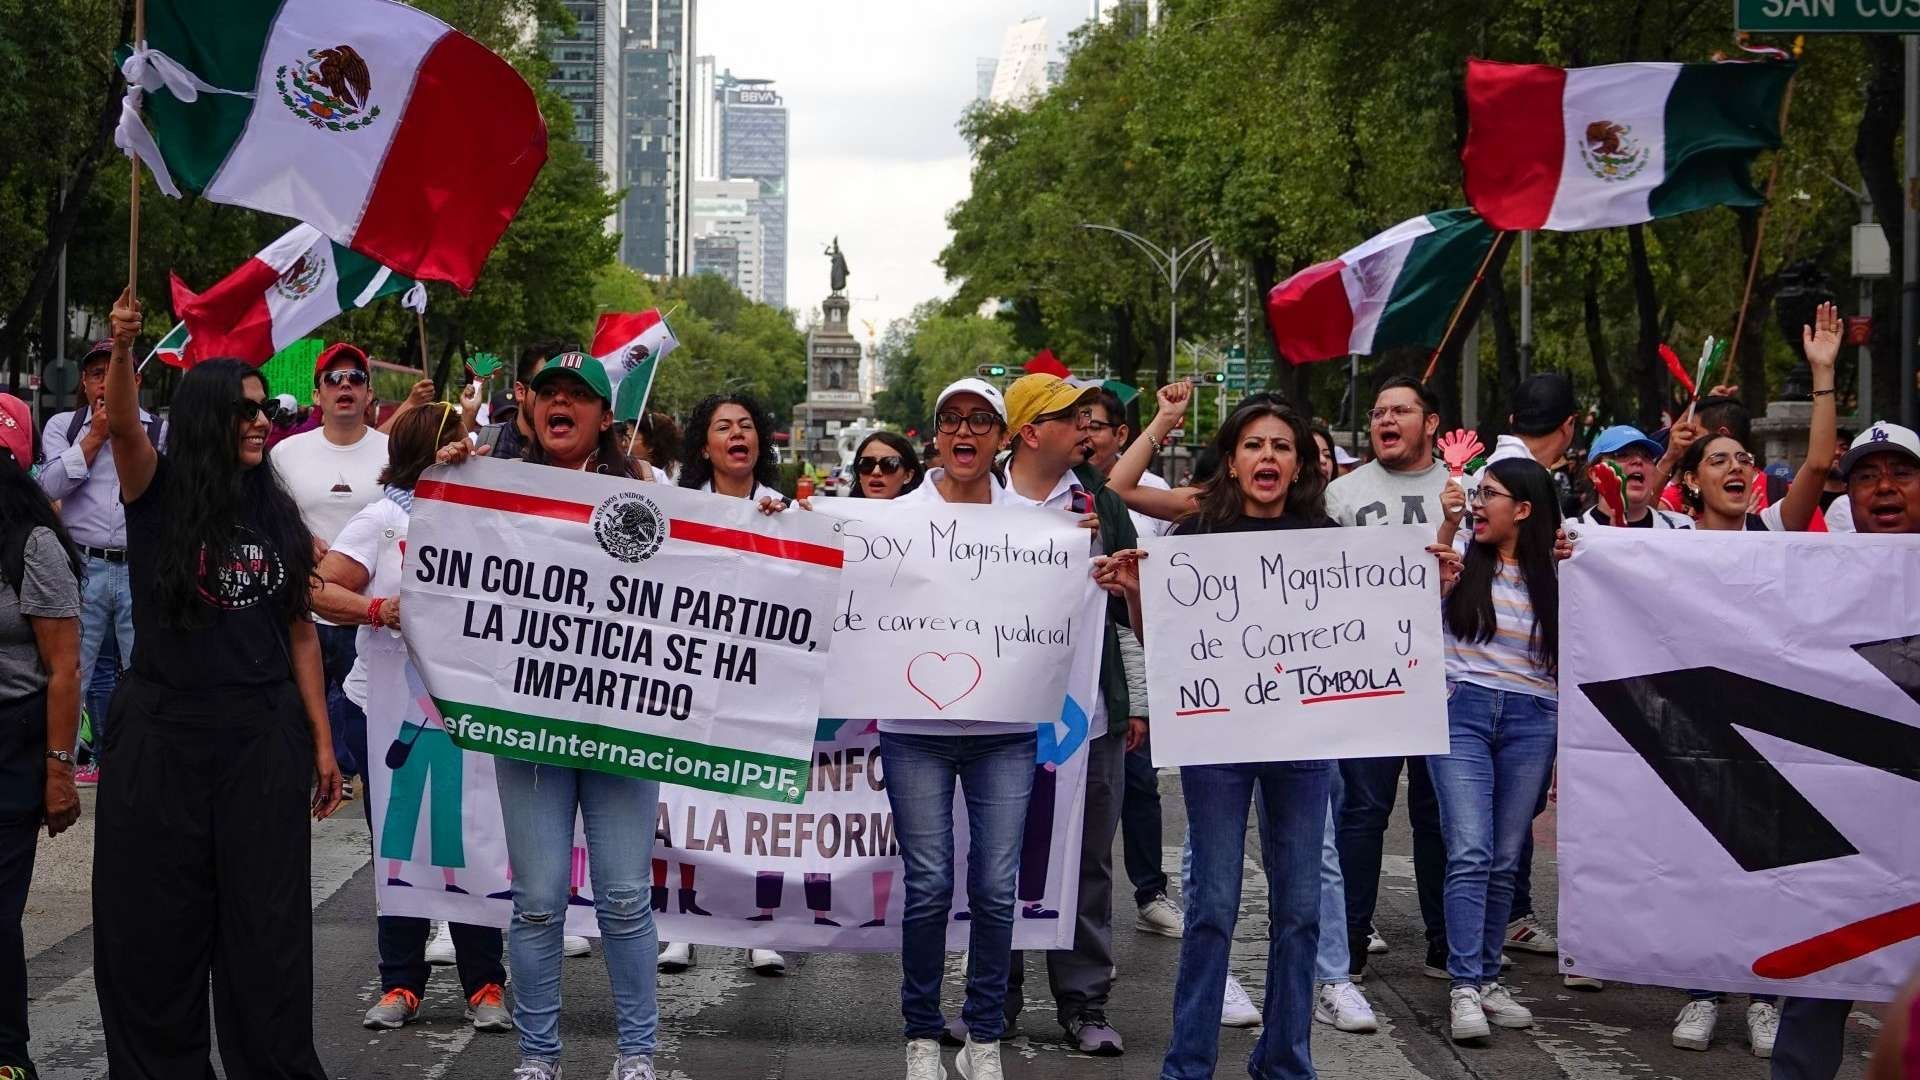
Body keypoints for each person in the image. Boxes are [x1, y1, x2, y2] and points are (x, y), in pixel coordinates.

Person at [1103, 398, 1460, 1080]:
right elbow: (1172, 653)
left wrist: (1427, 590)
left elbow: (1373, 638)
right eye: (1253, 446)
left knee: (1300, 913)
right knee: (1211, 909)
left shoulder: (1329, 543)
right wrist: (1136, 595)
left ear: (1298, 464)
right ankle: (1188, 1064)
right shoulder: (1191, 541)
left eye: (1281, 447)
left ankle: (1287, 1061)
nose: (1267, 457)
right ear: (1232, 462)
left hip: (1301, 748)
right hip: (1218, 751)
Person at [92, 290, 342, 1080]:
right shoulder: (154, 491)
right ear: (205, 418)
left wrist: (321, 742)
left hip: (260, 738)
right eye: (243, 411)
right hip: (162, 736)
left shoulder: (273, 505)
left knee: (264, 933)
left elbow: (299, 626)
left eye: (264, 410)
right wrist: (124, 348)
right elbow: (126, 423)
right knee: (155, 932)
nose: (261, 422)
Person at [437, 351, 662, 1080]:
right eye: (550, 393)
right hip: (530, 729)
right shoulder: (487, 483)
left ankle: (636, 1054)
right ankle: (539, 1058)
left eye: (579, 395)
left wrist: (764, 514)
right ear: (532, 411)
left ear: (604, 419)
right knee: (536, 903)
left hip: (621, 727)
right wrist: (440, 478)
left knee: (626, 897)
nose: (561, 403)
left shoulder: (650, 496)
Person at [309, 402, 511, 1035]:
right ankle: (400, 982)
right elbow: (318, 590)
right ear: (431, 446)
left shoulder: (487, 512)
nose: (471, 447)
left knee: (473, 837)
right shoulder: (382, 518)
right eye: (458, 439)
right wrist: (378, 611)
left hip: (472, 710)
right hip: (389, 708)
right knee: (401, 844)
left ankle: (485, 986)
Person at [880, 377, 1030, 1080]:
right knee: (931, 882)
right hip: (915, 729)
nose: (964, 432)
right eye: (950, 421)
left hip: (1004, 728)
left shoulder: (1036, 527)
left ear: (1002, 438)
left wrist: (1092, 569)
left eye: (980, 421)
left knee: (997, 888)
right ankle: (920, 1033)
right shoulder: (891, 517)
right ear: (933, 435)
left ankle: (983, 1035)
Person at [1766, 417, 1920, 1080]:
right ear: (1848, 496)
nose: (1883, 488)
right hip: (1845, 825)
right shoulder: (1810, 575)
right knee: (1816, 993)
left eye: (1901, 473)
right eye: (1865, 476)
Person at [997, 372, 1138, 1058]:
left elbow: (1137, 610)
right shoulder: (974, 501)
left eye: (1090, 417)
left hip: (1089, 713)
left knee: (1086, 862)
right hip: (994, 712)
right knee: (1001, 857)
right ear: (1030, 431)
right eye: (1069, 416)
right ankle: (995, 999)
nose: (1087, 428)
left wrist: (1118, 580)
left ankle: (1085, 1004)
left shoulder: (1102, 502)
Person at [1324, 375, 1458, 984]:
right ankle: (1347, 942)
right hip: (1369, 674)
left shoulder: (1467, 489)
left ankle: (1444, 942)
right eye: (1379, 412)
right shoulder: (1343, 493)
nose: (1386, 420)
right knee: (1363, 811)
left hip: (1450, 674)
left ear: (1431, 423)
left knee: (1439, 813)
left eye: (1401, 410)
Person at [1430, 458, 1562, 1043]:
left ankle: (1485, 978)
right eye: (1477, 493)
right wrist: (1443, 533)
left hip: (1534, 719)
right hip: (1462, 713)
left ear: (1525, 510)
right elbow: (1412, 604)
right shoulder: (1456, 558)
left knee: (1506, 856)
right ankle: (1462, 985)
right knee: (1470, 850)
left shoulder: (1560, 573)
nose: (1479, 503)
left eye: (1493, 495)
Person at [661, 392, 789, 977]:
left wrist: (785, 532)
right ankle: (680, 927)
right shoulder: (681, 507)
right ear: (704, 445)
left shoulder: (787, 510)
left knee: (753, 808)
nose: (737, 435)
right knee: (685, 805)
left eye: (746, 426)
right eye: (723, 427)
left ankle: (757, 925)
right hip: (691, 680)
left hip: (762, 688)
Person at [37, 340, 164, 786]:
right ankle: (60, 771)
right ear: (86, 384)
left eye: (115, 372)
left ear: (135, 381)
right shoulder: (64, 427)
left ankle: (141, 771)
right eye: (96, 374)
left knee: (143, 670)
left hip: (139, 567)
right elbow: (47, 485)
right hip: (82, 567)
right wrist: (94, 438)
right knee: (72, 671)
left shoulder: (158, 430)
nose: (104, 383)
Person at [0, 392, 82, 1080]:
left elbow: (62, 669)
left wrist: (59, 770)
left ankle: (6, 1056)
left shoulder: (33, 544)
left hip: (11, 745)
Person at [271, 342, 389, 797]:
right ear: (316, 395)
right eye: (333, 379)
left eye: (355, 379)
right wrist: (298, 540)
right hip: (304, 614)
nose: (345, 386)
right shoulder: (286, 454)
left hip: (370, 615)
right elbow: (267, 520)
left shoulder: (392, 451)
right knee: (300, 723)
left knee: (365, 728)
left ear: (368, 393)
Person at [1084, 392, 1181, 940]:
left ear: (1121, 435)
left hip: (1133, 647)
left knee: (1138, 782)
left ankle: (1150, 892)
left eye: (1096, 426)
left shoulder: (1156, 497)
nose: (1087, 435)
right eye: (1079, 425)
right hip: (1065, 657)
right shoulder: (1038, 492)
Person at [1572, 424, 1695, 529]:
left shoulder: (1681, 528)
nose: (1638, 460)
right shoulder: (1571, 536)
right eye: (1622, 454)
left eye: (1646, 456)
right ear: (1595, 474)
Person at [475, 341, 565, 462]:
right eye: (548, 391)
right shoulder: (490, 443)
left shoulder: (579, 453)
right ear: (521, 392)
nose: (560, 400)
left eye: (576, 393)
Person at [850, 431, 924, 500]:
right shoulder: (843, 510)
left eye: (888, 464)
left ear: (908, 476)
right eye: (867, 464)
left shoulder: (923, 512)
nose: (876, 472)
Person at [630, 411, 683, 484]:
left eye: (631, 438)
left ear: (650, 445)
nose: (624, 444)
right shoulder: (631, 471)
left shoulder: (677, 479)